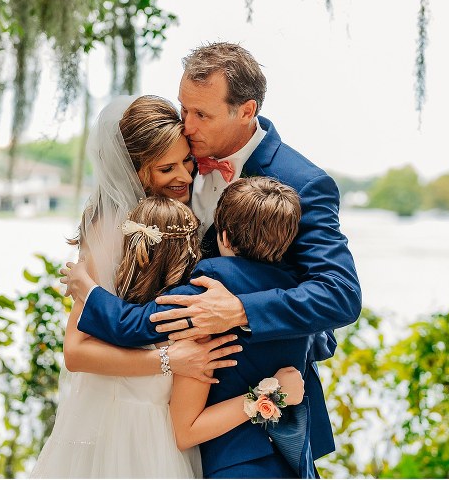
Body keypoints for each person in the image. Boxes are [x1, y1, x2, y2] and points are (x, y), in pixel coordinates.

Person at [70, 42, 362, 474]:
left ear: (246, 111)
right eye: (184, 109)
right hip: (164, 415)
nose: (186, 126)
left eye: (201, 115)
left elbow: (339, 296)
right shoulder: (170, 168)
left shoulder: (302, 183)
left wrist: (238, 310)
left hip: (258, 427)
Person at [31, 95, 282, 478]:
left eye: (187, 161)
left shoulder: (182, 212)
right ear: (134, 171)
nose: (185, 176)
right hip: (125, 416)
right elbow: (76, 352)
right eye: (167, 168)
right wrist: (169, 360)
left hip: (171, 413)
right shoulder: (111, 228)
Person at [70, 178, 319, 478]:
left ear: (223, 236)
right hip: (290, 461)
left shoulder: (210, 286)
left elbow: (135, 325)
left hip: (235, 464)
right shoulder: (298, 297)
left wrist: (88, 291)